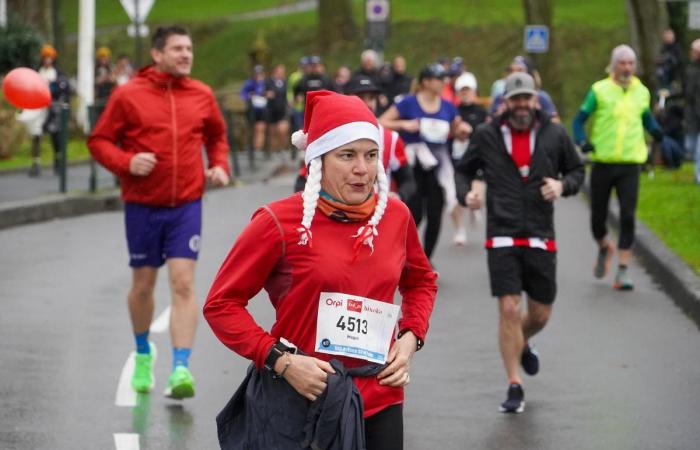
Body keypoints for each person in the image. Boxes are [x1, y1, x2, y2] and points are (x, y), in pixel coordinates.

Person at [204, 90, 437, 449]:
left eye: (371, 155)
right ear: (319, 161)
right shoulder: (278, 222)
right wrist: (281, 361)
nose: (363, 168)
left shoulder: (395, 216)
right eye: (347, 155)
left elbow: (421, 280)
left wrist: (410, 338)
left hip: (380, 394)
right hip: (304, 395)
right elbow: (221, 304)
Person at [88, 25, 231, 400]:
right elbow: (99, 141)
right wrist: (126, 162)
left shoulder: (201, 94)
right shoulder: (128, 95)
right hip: (142, 205)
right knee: (143, 286)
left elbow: (217, 135)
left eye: (189, 48)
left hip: (186, 204)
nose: (186, 54)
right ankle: (142, 351)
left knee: (183, 283)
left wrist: (219, 164)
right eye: (178, 48)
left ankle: (181, 367)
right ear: (157, 54)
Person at [455, 72, 584, 414]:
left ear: (537, 100)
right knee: (509, 309)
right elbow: (463, 169)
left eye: (528, 98)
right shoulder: (487, 135)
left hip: (541, 233)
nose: (523, 104)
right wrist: (466, 193)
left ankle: (522, 341)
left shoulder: (555, 134)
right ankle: (515, 384)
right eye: (516, 99)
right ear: (506, 103)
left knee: (540, 313)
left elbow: (577, 171)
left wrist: (561, 186)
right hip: (501, 231)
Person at [572, 44, 665, 290]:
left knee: (627, 215)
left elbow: (646, 119)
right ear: (613, 65)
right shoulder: (599, 90)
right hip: (602, 162)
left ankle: (623, 270)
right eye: (622, 63)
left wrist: (657, 131)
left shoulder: (641, 92)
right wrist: (582, 140)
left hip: (630, 163)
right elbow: (579, 120)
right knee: (597, 219)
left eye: (630, 63)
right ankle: (604, 245)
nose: (626, 68)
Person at [379, 63, 470, 263]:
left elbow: (457, 129)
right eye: (438, 79)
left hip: (439, 166)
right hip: (414, 165)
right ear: (425, 82)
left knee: (435, 214)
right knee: (414, 212)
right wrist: (404, 124)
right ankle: (401, 255)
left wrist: (463, 131)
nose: (442, 82)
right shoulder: (408, 103)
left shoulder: (448, 106)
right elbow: (382, 121)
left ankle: (425, 260)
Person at [450, 71, 488, 246]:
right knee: (454, 195)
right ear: (457, 93)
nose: (465, 93)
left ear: (474, 91)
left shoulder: (482, 113)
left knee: (476, 192)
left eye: (468, 90)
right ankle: (460, 229)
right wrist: (456, 132)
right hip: (456, 157)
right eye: (462, 90)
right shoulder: (453, 112)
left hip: (477, 158)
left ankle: (472, 204)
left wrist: (471, 131)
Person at [22, 44, 71, 177]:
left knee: (55, 136)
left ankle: (58, 161)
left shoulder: (58, 73)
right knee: (36, 134)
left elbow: (64, 89)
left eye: (49, 57)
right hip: (38, 108)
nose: (47, 60)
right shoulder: (38, 71)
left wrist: (51, 87)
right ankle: (36, 164)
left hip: (53, 108)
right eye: (45, 57)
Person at [264, 63, 291, 161]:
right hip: (271, 109)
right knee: (273, 132)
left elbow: (288, 93)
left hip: (282, 109)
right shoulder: (268, 81)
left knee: (282, 130)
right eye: (280, 70)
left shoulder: (285, 81)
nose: (282, 72)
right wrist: (266, 94)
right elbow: (263, 91)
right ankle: (273, 151)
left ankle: (282, 149)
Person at [240, 65, 268, 154]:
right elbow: (243, 94)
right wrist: (249, 96)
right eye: (257, 73)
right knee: (250, 128)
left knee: (260, 128)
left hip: (262, 109)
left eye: (260, 73)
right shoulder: (250, 83)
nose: (258, 75)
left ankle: (258, 149)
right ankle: (247, 147)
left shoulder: (265, 83)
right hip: (252, 109)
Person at [684, 39, 700, 185]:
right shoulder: (691, 69)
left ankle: (698, 175)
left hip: (697, 114)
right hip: (692, 115)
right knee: (691, 146)